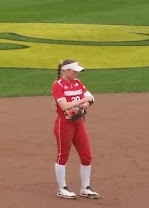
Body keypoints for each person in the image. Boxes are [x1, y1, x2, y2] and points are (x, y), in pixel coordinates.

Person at [51, 59, 99, 200]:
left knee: (86, 156)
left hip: (78, 123)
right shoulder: (58, 85)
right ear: (66, 71)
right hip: (63, 124)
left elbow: (91, 99)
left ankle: (85, 188)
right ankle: (62, 188)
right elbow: (65, 106)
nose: (77, 73)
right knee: (62, 155)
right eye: (75, 70)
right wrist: (81, 101)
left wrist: (83, 107)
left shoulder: (77, 83)